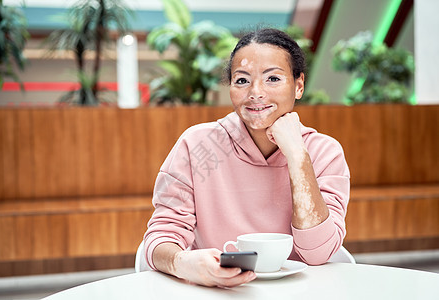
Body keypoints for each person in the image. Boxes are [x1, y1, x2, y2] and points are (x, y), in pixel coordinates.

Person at [140, 28, 350, 287]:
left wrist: (297, 156)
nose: (256, 92)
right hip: (217, 292)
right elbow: (161, 237)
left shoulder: (324, 152)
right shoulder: (197, 144)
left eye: (273, 78)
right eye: (242, 80)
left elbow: (318, 254)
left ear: (298, 86)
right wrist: (183, 263)